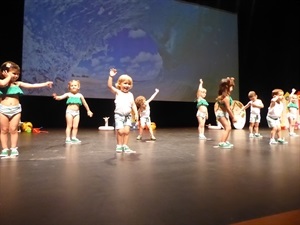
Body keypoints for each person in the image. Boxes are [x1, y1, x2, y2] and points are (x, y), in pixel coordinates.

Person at [0, 61, 53, 157]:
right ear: (5, 72)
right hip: (3, 110)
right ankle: (4, 149)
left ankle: (13, 148)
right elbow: (3, 83)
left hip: (15, 109)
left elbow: (32, 85)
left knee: (13, 129)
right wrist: (8, 77)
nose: (16, 76)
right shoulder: (1, 82)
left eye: (17, 74)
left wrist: (45, 84)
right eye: (13, 73)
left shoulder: (17, 84)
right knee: (4, 130)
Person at [108, 68, 138, 153]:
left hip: (128, 116)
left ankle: (125, 146)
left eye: (129, 84)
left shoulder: (130, 94)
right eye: (125, 83)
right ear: (119, 84)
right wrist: (111, 76)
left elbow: (133, 104)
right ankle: (119, 145)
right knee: (120, 131)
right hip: (119, 115)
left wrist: (136, 113)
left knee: (127, 131)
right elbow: (109, 86)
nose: (127, 85)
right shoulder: (118, 92)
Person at [215, 77, 237, 148]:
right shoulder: (226, 98)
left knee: (227, 128)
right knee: (228, 128)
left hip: (223, 113)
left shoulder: (225, 96)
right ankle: (222, 143)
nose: (232, 89)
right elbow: (228, 109)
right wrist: (233, 117)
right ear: (226, 87)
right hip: (221, 114)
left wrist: (232, 80)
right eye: (231, 87)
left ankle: (224, 141)